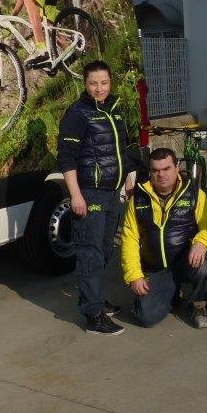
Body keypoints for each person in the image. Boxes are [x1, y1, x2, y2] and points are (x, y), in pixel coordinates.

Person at [57, 60, 140, 336]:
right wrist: (76, 195)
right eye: (93, 83)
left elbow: (122, 152)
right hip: (89, 194)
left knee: (104, 250)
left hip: (112, 193)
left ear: (110, 82)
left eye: (104, 82)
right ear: (85, 83)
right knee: (90, 253)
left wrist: (128, 182)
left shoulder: (114, 111)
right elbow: (66, 159)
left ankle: (93, 298)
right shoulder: (77, 114)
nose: (99, 88)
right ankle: (93, 316)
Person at [119, 148, 207, 329]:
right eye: (155, 170)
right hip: (155, 269)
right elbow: (129, 239)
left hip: (185, 262)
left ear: (177, 168)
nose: (161, 175)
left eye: (166, 169)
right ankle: (172, 292)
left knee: (206, 265)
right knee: (145, 318)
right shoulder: (138, 199)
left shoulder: (194, 193)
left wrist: (201, 242)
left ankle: (200, 305)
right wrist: (134, 275)